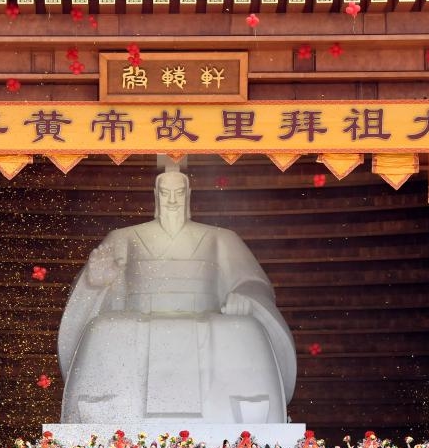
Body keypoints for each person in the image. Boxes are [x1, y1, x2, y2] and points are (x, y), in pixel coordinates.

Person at [59, 171, 297, 424]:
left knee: (244, 327)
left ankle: (248, 416)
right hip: (137, 317)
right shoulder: (123, 237)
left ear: (189, 195)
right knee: (104, 329)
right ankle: (103, 417)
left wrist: (244, 296)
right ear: (155, 196)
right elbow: (92, 292)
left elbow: (252, 282)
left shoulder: (222, 238)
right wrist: (97, 283)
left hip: (208, 316)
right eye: (165, 193)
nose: (172, 200)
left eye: (179, 192)